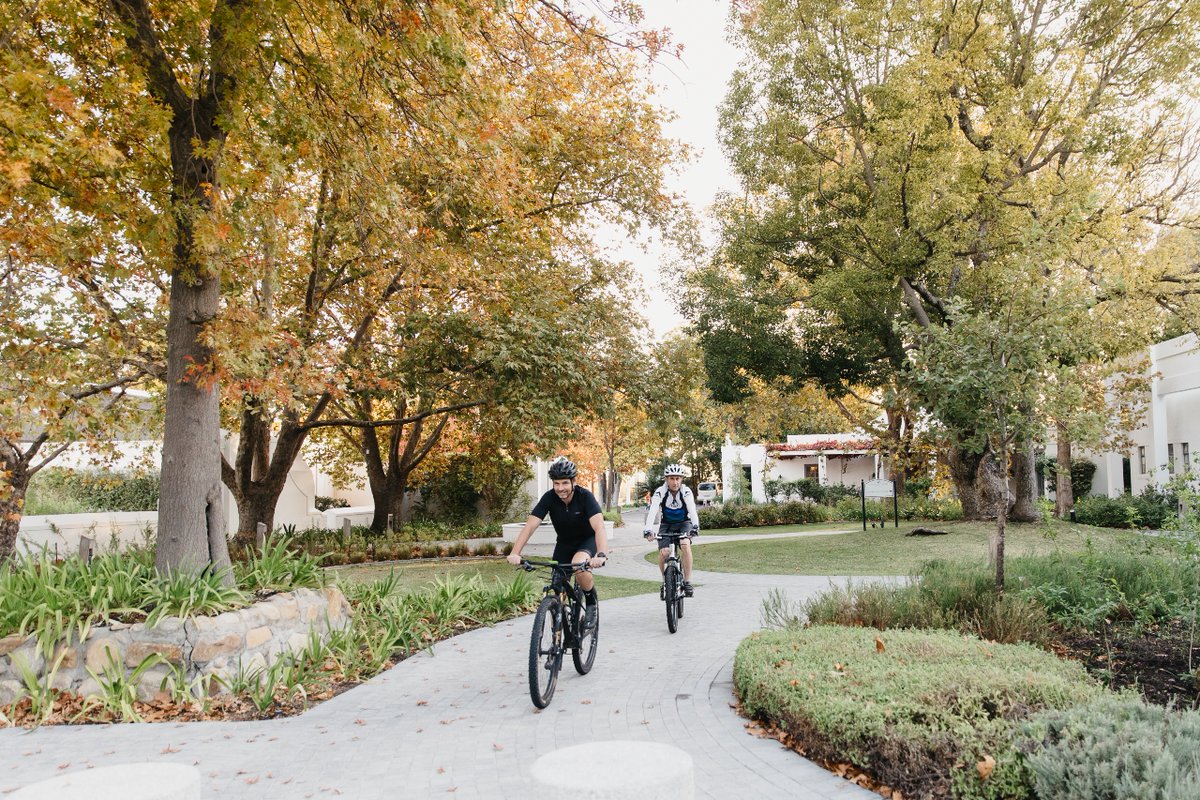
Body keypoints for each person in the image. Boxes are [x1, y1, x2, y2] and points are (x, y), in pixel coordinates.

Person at [507, 456, 608, 626]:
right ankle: (560, 626)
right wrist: (515, 552)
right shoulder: (549, 498)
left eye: (565, 483)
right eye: (556, 483)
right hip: (564, 543)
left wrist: (601, 554)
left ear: (573, 482)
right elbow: (530, 526)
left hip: (586, 541)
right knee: (557, 585)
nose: (560, 488)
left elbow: (599, 527)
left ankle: (590, 603)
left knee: (578, 565)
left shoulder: (585, 497)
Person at [643, 464, 699, 596]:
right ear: (666, 480)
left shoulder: (686, 491)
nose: (675, 482)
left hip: (684, 523)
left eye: (678, 478)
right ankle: (665, 582)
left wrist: (695, 526)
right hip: (666, 525)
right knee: (664, 552)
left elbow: (692, 509)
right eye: (672, 478)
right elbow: (653, 509)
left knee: (685, 544)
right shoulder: (660, 492)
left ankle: (687, 581)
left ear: (681, 479)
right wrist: (648, 529)